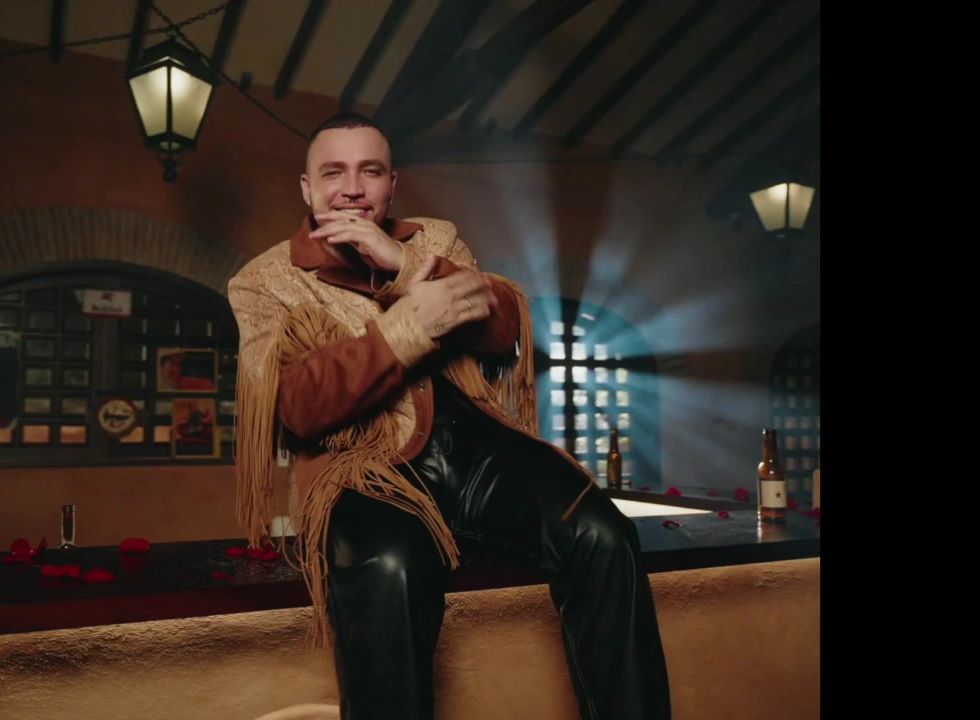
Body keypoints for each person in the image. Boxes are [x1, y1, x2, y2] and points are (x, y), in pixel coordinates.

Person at [228, 111, 671, 720]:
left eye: (369, 172)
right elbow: (295, 408)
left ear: (391, 185)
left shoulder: (435, 238)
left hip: (473, 447)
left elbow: (504, 330)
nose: (352, 188)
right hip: (361, 469)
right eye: (333, 173)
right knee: (391, 565)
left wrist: (405, 264)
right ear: (307, 189)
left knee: (604, 533)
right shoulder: (262, 281)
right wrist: (409, 326)